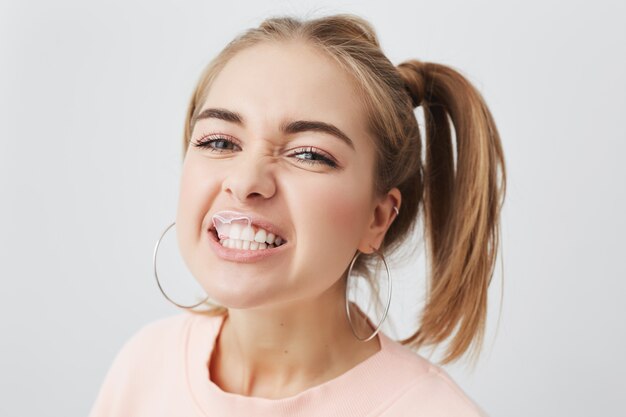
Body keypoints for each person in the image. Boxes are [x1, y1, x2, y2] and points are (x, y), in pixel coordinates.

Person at [88, 12, 506, 417]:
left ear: (378, 218)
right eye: (219, 142)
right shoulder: (143, 367)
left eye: (308, 153)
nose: (246, 180)